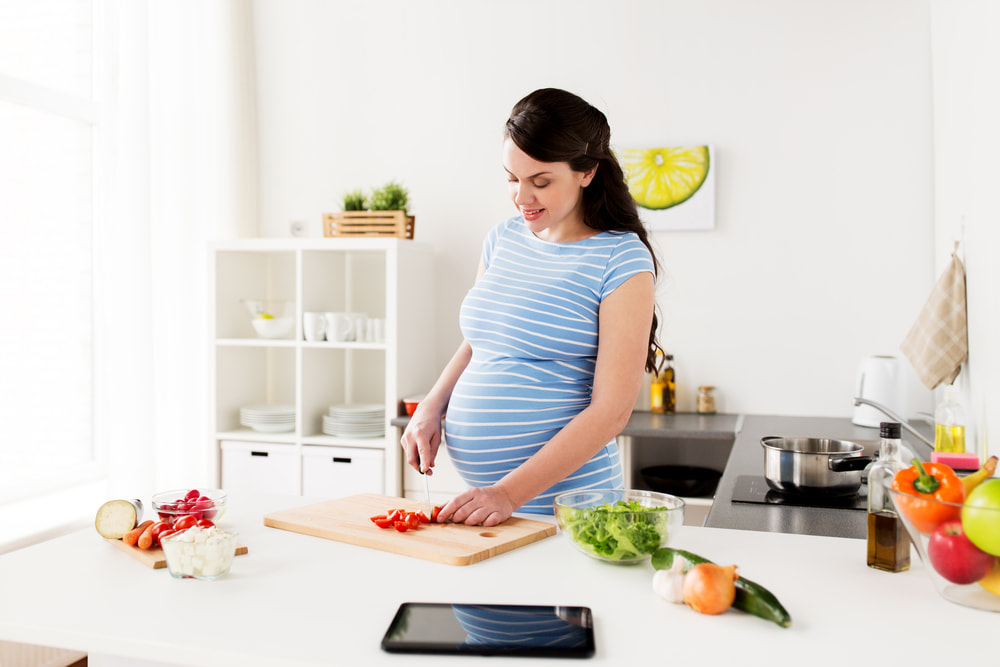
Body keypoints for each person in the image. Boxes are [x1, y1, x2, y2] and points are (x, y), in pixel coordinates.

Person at [401, 88, 663, 527]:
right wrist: (432, 405)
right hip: (491, 506)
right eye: (511, 178)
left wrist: (508, 493)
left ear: (587, 172)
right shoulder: (502, 238)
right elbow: (480, 341)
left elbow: (612, 411)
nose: (522, 197)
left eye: (540, 182)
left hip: (569, 508)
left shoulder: (621, 258)